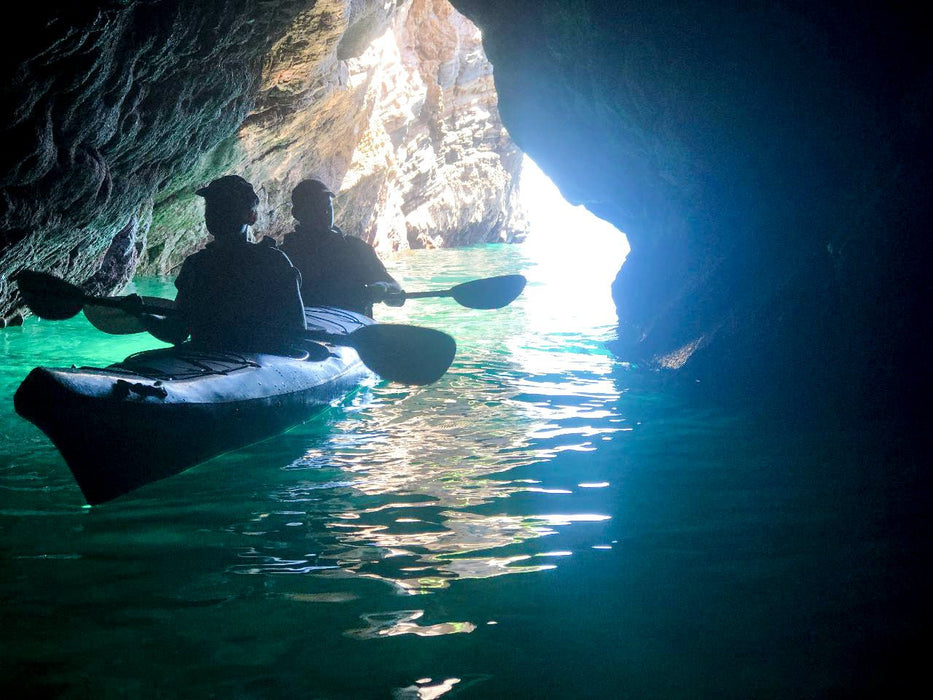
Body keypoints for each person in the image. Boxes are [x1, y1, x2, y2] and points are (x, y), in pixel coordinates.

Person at [156, 175, 307, 351]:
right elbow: (176, 332)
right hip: (207, 359)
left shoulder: (273, 262)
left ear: (252, 217)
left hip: (252, 362)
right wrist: (140, 313)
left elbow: (296, 331)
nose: (217, 213)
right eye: (212, 207)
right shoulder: (196, 264)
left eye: (228, 207)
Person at [280, 178, 404, 317]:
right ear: (296, 213)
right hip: (307, 327)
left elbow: (396, 291)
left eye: (328, 207)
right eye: (316, 208)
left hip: (352, 327)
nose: (325, 213)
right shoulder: (283, 255)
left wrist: (383, 288)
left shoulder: (356, 249)